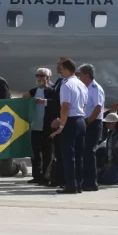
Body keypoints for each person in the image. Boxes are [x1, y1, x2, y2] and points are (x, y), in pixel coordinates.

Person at [50, 59, 88, 194]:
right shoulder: (81, 84)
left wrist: (61, 125)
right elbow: (84, 105)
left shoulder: (66, 85)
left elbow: (65, 106)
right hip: (81, 120)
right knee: (79, 156)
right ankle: (78, 184)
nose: (59, 70)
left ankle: (71, 185)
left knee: (68, 156)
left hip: (70, 122)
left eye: (61, 68)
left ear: (66, 69)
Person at [25, 68, 55, 184]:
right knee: (35, 153)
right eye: (37, 75)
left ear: (48, 78)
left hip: (47, 126)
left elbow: (56, 103)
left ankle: (46, 176)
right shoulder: (33, 91)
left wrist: (44, 101)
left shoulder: (51, 91)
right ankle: (36, 175)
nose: (39, 78)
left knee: (47, 153)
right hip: (35, 126)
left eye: (42, 76)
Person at [77, 63, 105, 191]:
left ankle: (92, 182)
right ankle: (85, 180)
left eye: (80, 74)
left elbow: (98, 108)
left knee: (89, 152)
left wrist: (88, 121)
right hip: (86, 121)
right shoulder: (84, 87)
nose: (79, 77)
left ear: (86, 75)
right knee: (84, 152)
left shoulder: (95, 88)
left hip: (93, 123)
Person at [48, 57, 69, 188]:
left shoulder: (67, 83)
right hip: (56, 120)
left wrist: (60, 120)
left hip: (62, 121)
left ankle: (62, 179)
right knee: (58, 152)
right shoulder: (60, 81)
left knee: (63, 152)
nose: (57, 66)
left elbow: (65, 105)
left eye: (59, 65)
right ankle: (58, 178)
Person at [97, 113, 118, 186]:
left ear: (114, 123)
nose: (107, 125)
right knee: (99, 177)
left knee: (107, 180)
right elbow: (108, 148)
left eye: (109, 123)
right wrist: (106, 162)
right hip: (112, 162)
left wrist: (112, 163)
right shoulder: (110, 133)